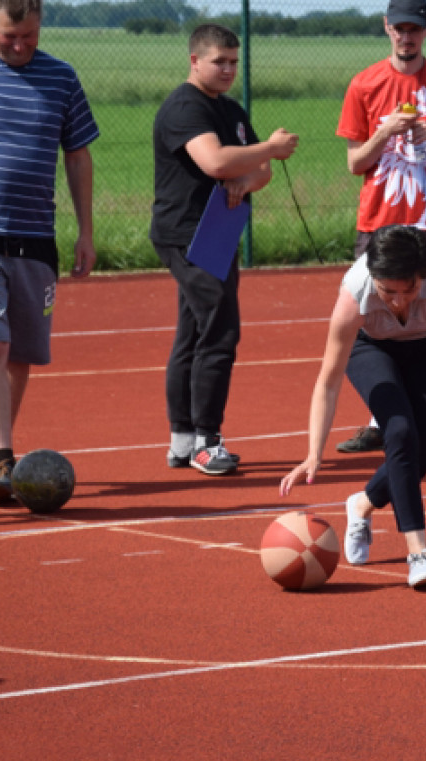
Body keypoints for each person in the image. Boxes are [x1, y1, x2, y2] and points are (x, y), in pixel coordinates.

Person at [0, 0, 99, 501]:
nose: (21, 45)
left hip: (35, 238)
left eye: (29, 35)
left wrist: (86, 231)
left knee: (21, 352)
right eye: (10, 36)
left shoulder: (62, 78)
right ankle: (5, 458)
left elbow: (77, 154)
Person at [280, 225, 426, 587]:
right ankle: (418, 553)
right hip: (372, 348)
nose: (400, 300)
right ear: (373, 277)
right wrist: (314, 452)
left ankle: (362, 503)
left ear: (422, 276)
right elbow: (328, 380)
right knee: (399, 432)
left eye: (410, 290)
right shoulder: (354, 294)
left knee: (420, 459)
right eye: (388, 291)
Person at [151, 23, 298, 476]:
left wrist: (247, 175)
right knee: (220, 330)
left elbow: (261, 171)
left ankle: (182, 441)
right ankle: (206, 441)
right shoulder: (183, 107)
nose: (228, 69)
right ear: (195, 60)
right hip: (186, 233)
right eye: (219, 61)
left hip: (218, 231)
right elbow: (214, 160)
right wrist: (268, 148)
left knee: (195, 332)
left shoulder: (231, 110)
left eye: (234, 61)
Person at [334, 0, 426, 456]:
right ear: (386, 29)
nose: (406, 37)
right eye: (399, 29)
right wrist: (385, 131)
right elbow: (355, 162)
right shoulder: (365, 84)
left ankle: (424, 422)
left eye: (414, 29)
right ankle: (385, 419)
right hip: (381, 220)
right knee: (376, 319)